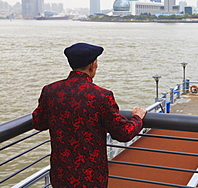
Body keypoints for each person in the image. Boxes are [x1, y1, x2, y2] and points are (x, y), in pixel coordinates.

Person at [32, 43, 147, 188]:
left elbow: (38, 122)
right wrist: (137, 117)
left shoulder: (50, 91)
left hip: (61, 174)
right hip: (91, 177)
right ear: (92, 65)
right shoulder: (101, 96)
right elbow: (123, 133)